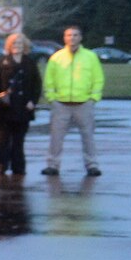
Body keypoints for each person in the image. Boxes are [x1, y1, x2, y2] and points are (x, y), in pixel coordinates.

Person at [41, 24, 103, 176]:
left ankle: (92, 165)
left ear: (80, 38)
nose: (72, 38)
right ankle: (53, 165)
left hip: (83, 103)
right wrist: (51, 98)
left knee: (88, 136)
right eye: (69, 35)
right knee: (56, 137)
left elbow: (98, 78)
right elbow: (49, 79)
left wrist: (93, 98)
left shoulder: (90, 57)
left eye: (75, 35)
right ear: (64, 38)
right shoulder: (56, 58)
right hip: (61, 104)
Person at [0, 33, 42, 176]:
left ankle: (18, 167)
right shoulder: (2, 62)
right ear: (9, 46)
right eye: (14, 44)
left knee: (19, 140)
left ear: (24, 46)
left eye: (20, 44)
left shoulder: (30, 63)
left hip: (23, 107)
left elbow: (37, 85)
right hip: (5, 108)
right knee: (3, 139)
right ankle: (1, 165)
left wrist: (33, 101)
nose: (17, 46)